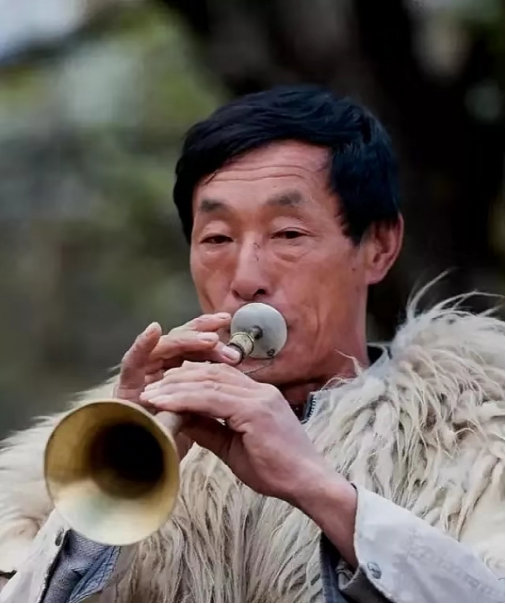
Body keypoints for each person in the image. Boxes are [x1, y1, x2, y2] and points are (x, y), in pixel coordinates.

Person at [0, 85, 504, 604]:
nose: (246, 278)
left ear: (378, 246)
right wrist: (110, 484)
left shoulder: (482, 440)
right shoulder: (59, 469)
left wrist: (320, 490)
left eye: (288, 234)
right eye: (217, 238)